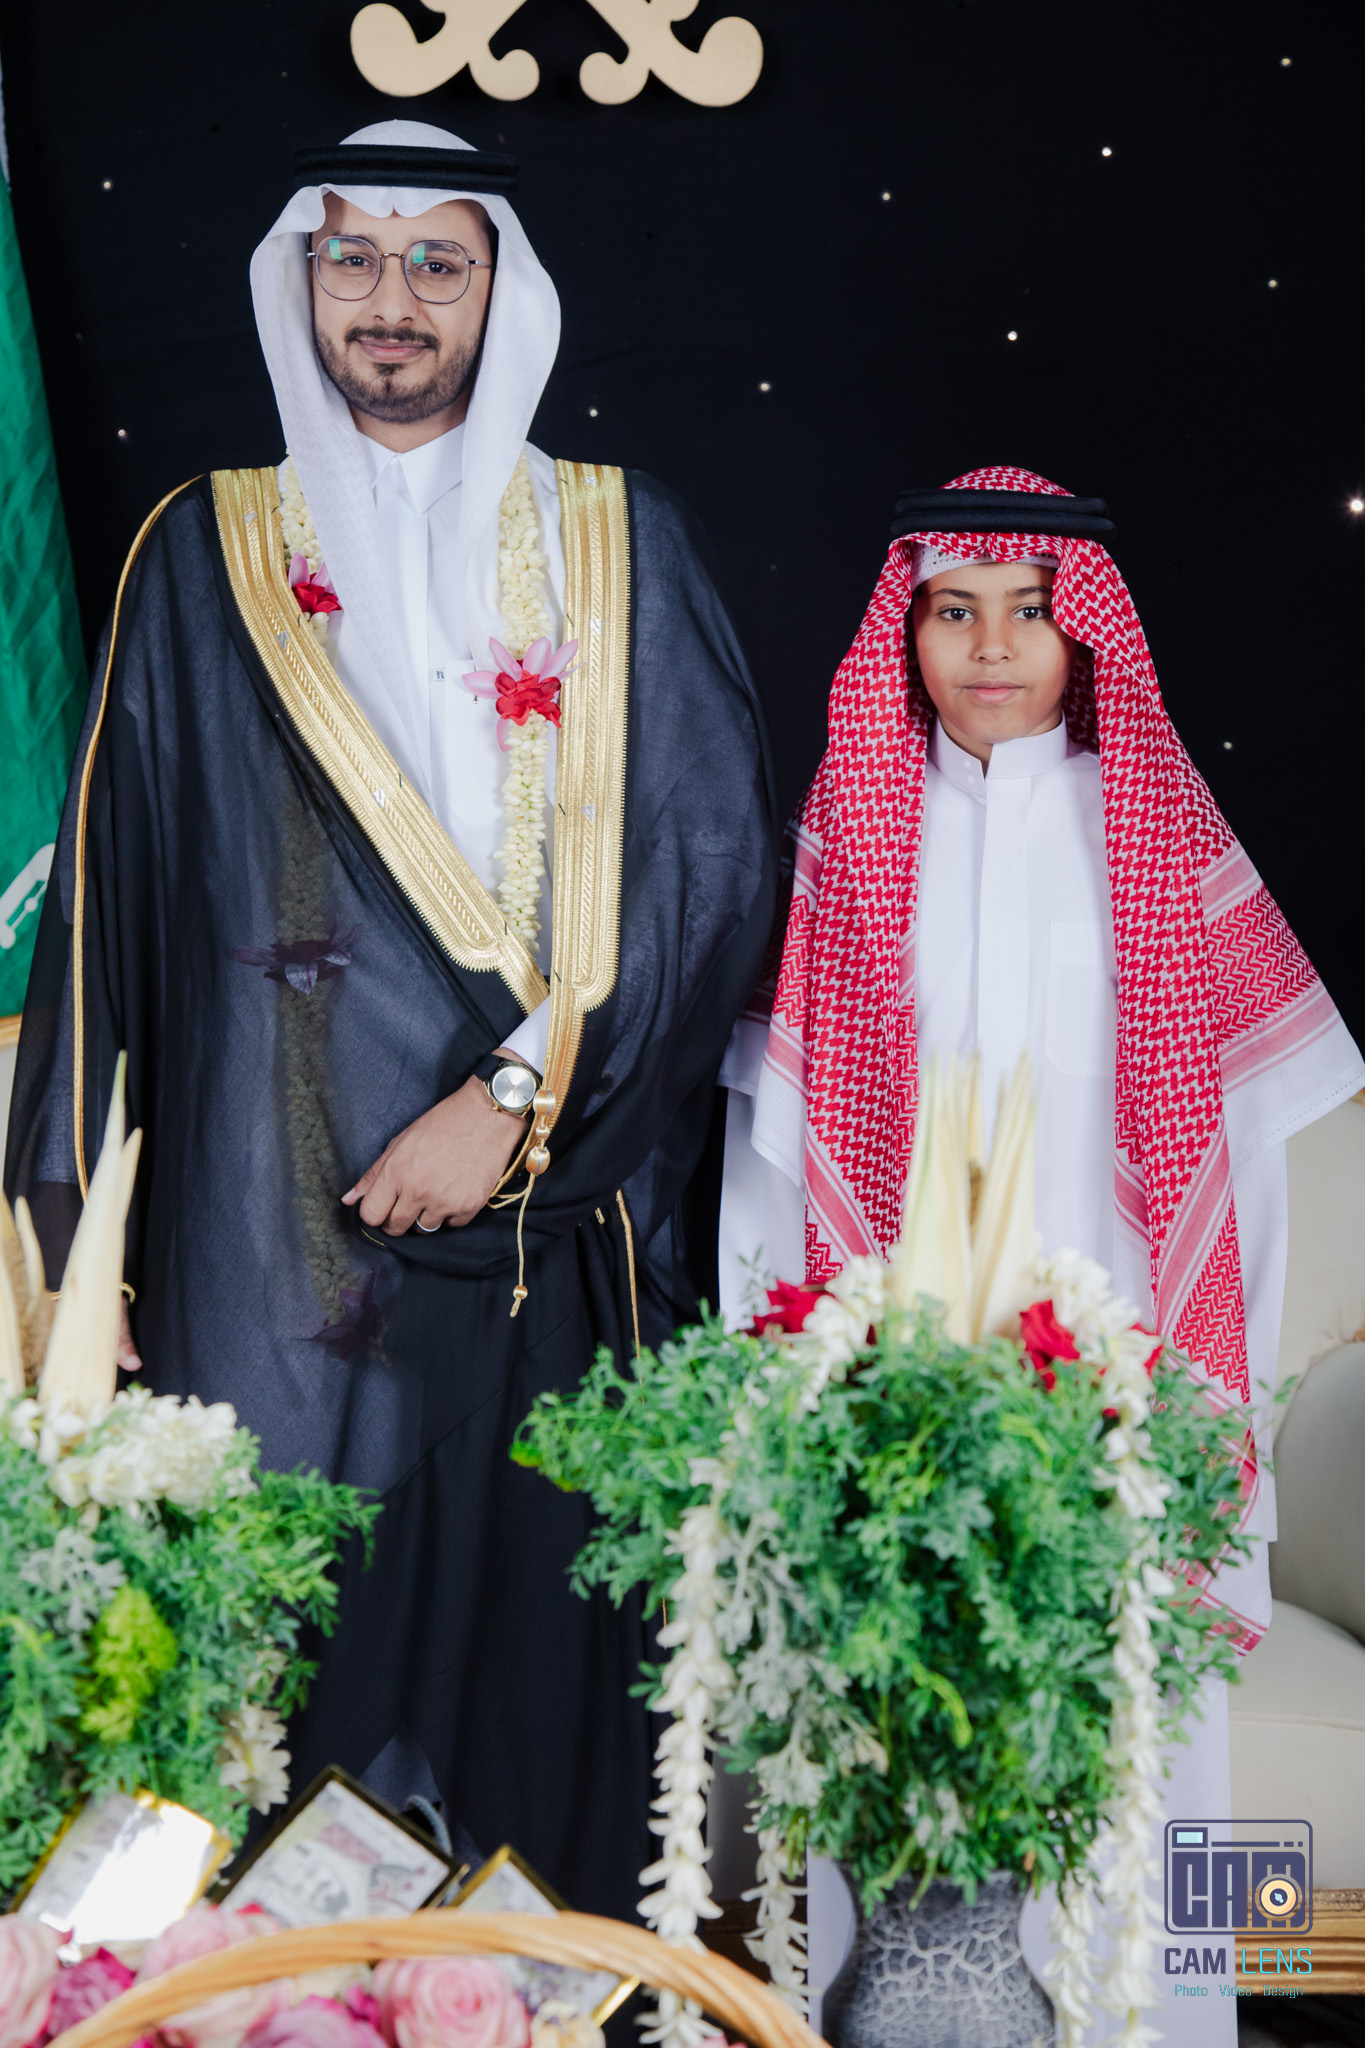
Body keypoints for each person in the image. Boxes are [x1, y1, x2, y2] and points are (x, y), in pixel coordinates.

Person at [5, 120, 775, 1920]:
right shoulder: (203, 546)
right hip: (260, 1226)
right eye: (352, 255)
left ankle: (541, 2017)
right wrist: (73, 1238)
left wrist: (514, 1098)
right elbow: (113, 905)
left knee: (539, 1666)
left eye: (439, 260)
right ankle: (273, 2022)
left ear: (502, 289)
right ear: (302, 280)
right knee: (278, 1670)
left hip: (543, 1208)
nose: (391, 299)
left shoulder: (618, 536)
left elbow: (711, 866)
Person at [717, 465, 1364, 2042]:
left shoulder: (1156, 833)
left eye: (1030, 610)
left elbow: (1241, 1158)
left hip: (1121, 1390)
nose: (992, 646)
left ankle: (1164, 2025)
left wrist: (1212, 1406)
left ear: (1087, 634)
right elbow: (778, 1152)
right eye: (953, 611)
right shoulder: (849, 838)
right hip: (900, 1396)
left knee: (1152, 1751)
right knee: (895, 1726)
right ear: (906, 630)